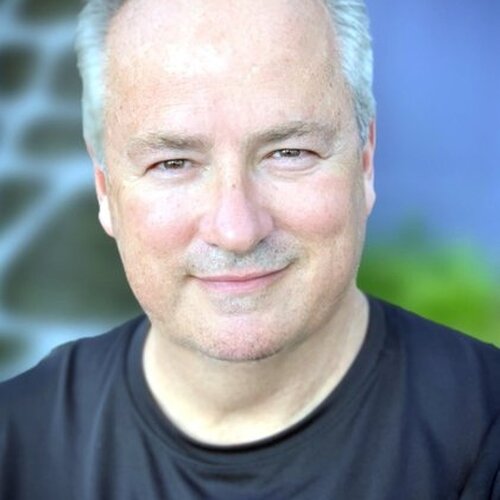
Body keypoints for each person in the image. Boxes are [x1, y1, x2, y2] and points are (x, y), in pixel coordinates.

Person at [1, 0, 499, 498]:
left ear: (365, 161)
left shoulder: (483, 434)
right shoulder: (16, 444)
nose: (236, 229)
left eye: (289, 153)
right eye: (173, 163)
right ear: (105, 189)